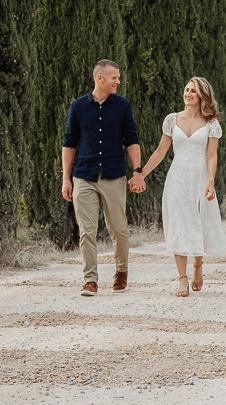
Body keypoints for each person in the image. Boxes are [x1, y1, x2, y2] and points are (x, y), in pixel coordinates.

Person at [137, 76, 226, 297]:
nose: (188, 94)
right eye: (186, 90)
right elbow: (160, 151)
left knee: (197, 224)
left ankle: (197, 267)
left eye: (193, 91)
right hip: (177, 179)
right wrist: (141, 174)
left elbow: (212, 155)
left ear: (202, 96)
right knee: (179, 225)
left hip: (200, 178)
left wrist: (211, 181)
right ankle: (182, 279)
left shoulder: (211, 124)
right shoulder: (172, 120)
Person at [61, 59, 145, 296]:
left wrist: (137, 171)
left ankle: (121, 271)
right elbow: (69, 143)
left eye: (118, 77)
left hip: (113, 176)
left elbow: (131, 139)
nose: (118, 81)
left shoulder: (122, 106)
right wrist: (66, 179)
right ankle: (90, 280)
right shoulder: (77, 107)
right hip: (84, 177)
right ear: (100, 78)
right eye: (114, 77)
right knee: (87, 230)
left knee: (118, 229)